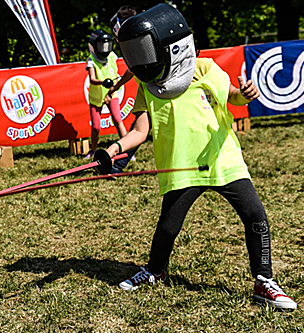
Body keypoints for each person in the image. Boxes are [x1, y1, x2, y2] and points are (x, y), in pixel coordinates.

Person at [106, 3, 296, 310]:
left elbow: (231, 96)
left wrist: (244, 95)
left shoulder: (203, 67)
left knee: (255, 216)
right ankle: (155, 271)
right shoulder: (147, 83)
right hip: (181, 165)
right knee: (167, 227)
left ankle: (265, 281)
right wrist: (112, 151)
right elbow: (140, 131)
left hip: (222, 158)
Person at [84, 29, 135, 173]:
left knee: (118, 120)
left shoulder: (112, 56)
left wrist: (111, 88)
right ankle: (93, 150)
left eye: (107, 45)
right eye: (101, 45)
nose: (105, 49)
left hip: (112, 93)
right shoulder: (91, 60)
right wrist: (103, 82)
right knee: (96, 127)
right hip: (97, 96)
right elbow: (92, 79)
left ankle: (129, 150)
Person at [103, 5, 139, 172]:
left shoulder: (137, 40)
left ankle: (118, 164)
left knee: (138, 129)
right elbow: (132, 69)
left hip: (161, 89)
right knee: (138, 129)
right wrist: (116, 86)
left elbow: (132, 68)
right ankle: (118, 165)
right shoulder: (137, 37)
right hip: (153, 90)